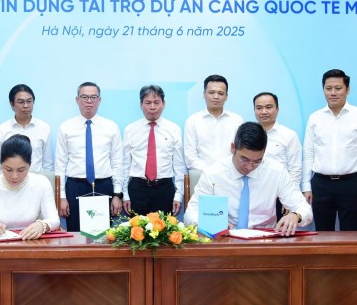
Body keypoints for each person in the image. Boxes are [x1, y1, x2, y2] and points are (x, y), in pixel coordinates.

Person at [185, 122, 312, 236]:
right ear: (233, 148)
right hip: (225, 238)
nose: (250, 167)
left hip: (264, 240)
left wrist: (296, 215)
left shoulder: (276, 171)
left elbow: (304, 208)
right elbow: (190, 214)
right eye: (244, 159)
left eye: (257, 161)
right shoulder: (213, 173)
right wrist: (209, 223)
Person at [301, 69, 357, 231]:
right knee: (322, 233)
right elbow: (308, 154)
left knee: (350, 234)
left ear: (347, 89)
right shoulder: (315, 118)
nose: (333, 93)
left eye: (338, 88)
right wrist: (306, 186)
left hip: (350, 184)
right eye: (328, 88)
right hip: (321, 184)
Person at [0, 134, 60, 239]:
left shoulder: (41, 183)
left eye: (21, 170)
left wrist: (42, 225)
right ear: (1, 164)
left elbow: (54, 220)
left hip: (31, 242)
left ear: (30, 165)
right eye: (8, 169)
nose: (14, 176)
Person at [55, 82, 123, 232]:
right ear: (77, 100)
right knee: (75, 235)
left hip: (103, 186)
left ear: (99, 100)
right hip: (75, 186)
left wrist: (117, 194)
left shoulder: (111, 127)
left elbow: (118, 163)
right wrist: (61, 196)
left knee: (102, 236)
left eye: (93, 97)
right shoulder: (66, 128)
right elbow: (60, 164)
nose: (89, 101)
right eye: (84, 97)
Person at [121, 85, 187, 216]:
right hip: (137, 189)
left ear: (163, 104)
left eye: (156, 102)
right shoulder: (131, 129)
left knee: (164, 228)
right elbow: (125, 165)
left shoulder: (173, 129)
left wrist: (178, 195)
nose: (152, 107)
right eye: (148, 103)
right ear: (141, 105)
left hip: (164, 189)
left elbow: (179, 166)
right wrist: (125, 195)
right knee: (136, 228)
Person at [253, 91, 302, 217]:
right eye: (259, 108)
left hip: (280, 195)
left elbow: (295, 170)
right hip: (253, 193)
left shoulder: (289, 135)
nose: (264, 112)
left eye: (269, 107)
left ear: (277, 109)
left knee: (281, 228)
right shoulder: (248, 135)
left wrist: (290, 199)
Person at [183, 74, 244, 172]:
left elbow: (241, 151)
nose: (216, 97)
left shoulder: (237, 121)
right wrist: (210, 172)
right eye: (211, 93)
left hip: (231, 174)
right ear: (204, 94)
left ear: (226, 96)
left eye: (220, 93)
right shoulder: (193, 121)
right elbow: (190, 157)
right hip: (203, 175)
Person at [0, 84, 53, 172]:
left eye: (29, 101)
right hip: (10, 179)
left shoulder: (44, 128)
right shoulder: (1, 129)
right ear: (12, 105)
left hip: (36, 179)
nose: (26, 106)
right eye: (21, 102)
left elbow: (48, 164)